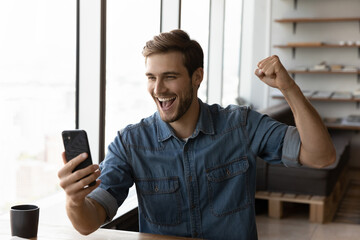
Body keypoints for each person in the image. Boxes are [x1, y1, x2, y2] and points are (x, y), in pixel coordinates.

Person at [58, 29, 336, 240]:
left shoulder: (241, 125)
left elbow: (321, 156)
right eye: (151, 78)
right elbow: (87, 223)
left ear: (197, 77)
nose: (158, 89)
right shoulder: (130, 143)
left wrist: (289, 88)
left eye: (169, 76)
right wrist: (74, 200)